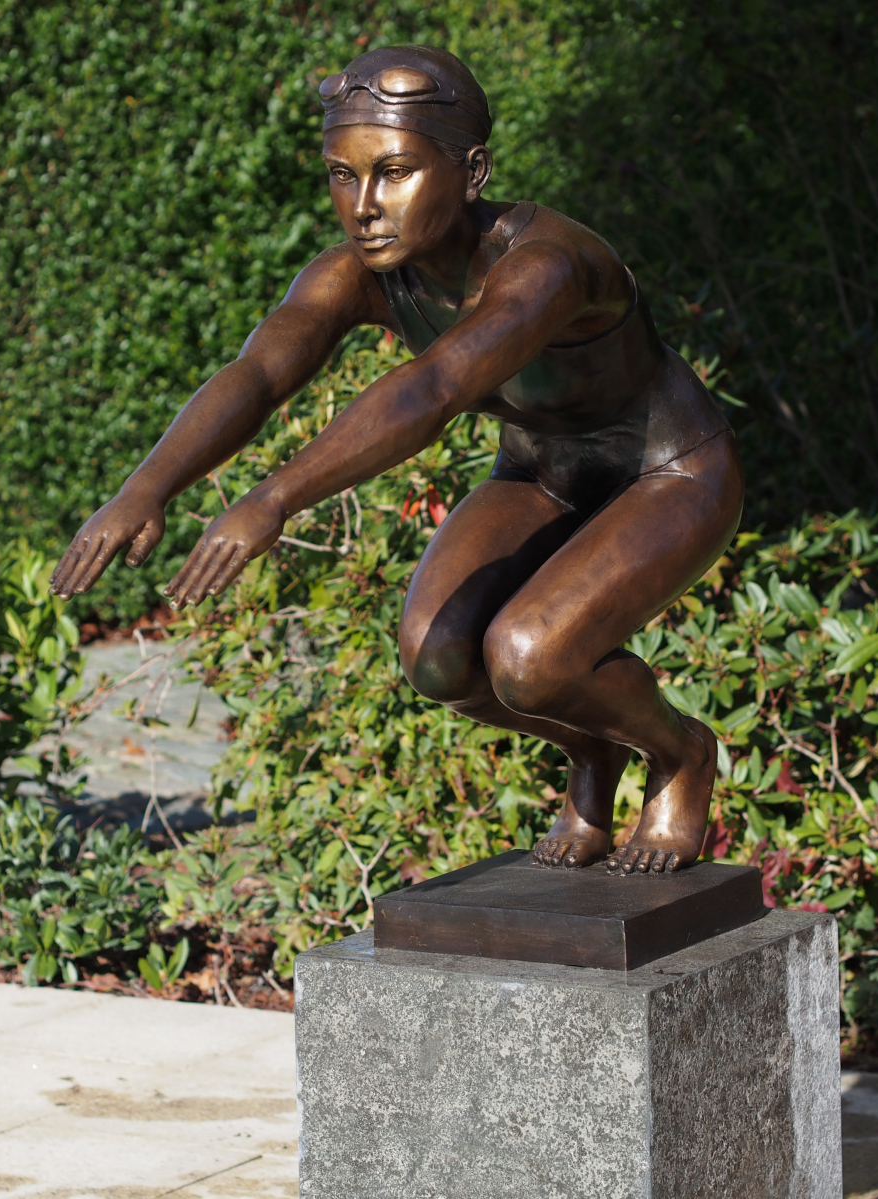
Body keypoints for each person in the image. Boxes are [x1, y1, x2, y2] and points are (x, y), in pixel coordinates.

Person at [49, 45, 742, 874]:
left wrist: (274, 498)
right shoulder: (362, 273)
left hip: (668, 473)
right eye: (342, 176)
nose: (364, 206)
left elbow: (437, 387)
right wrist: (148, 485)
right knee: (437, 659)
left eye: (395, 173)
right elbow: (259, 372)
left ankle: (679, 752)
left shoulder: (548, 265)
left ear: (472, 171)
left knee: (529, 655)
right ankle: (594, 749)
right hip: (544, 472)